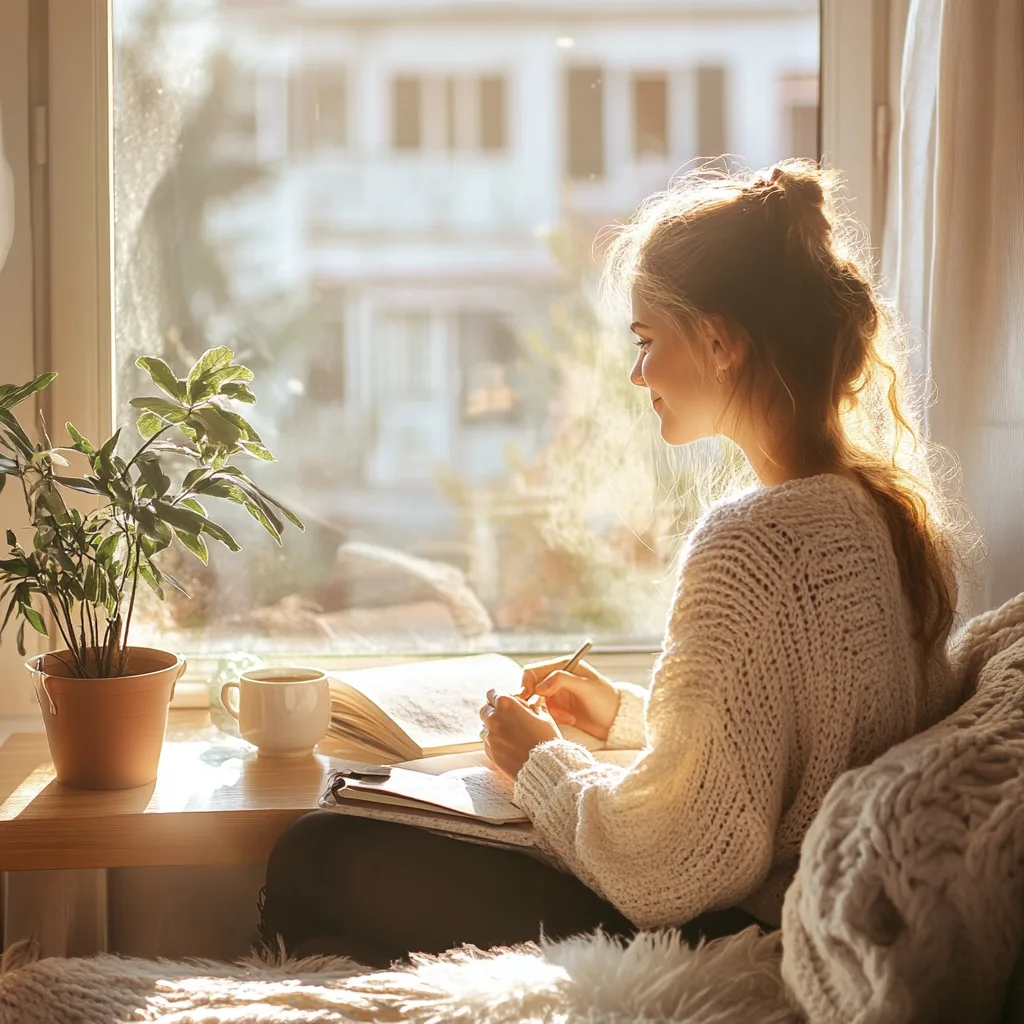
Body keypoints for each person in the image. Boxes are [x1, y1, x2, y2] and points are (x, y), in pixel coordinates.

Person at [258, 160, 969, 967]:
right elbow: (802, 740)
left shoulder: (755, 543)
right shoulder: (885, 512)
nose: (638, 375)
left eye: (647, 341)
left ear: (719, 341)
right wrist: (625, 719)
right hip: (785, 907)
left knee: (314, 855)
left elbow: (669, 868)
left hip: (725, 933)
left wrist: (539, 764)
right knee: (336, 925)